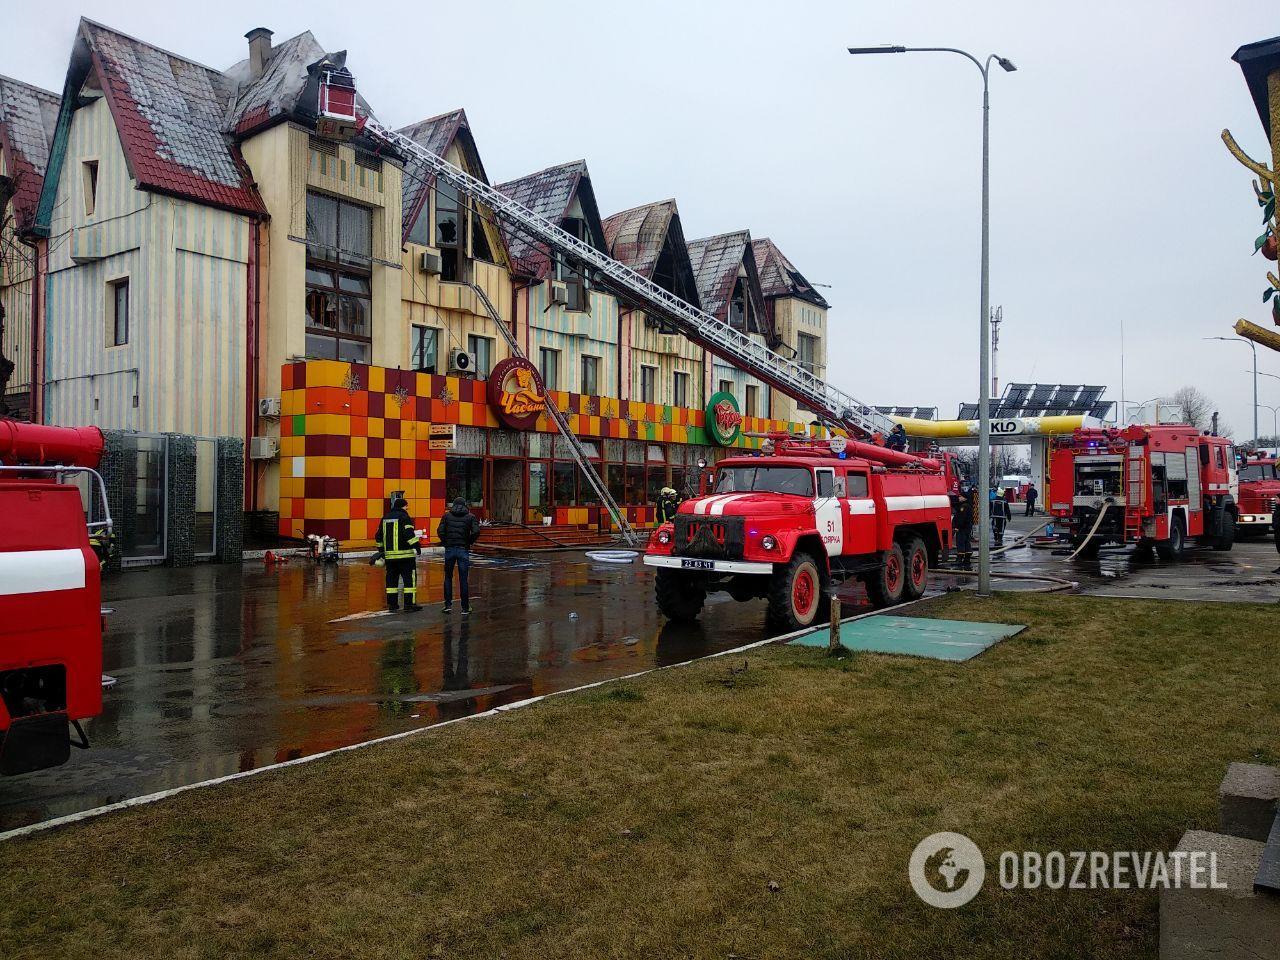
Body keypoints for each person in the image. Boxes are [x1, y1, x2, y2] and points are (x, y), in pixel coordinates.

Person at [375, 497, 422, 612]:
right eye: (406, 506)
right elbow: (409, 534)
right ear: (403, 506)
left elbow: (378, 536)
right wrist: (417, 546)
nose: (407, 508)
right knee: (409, 582)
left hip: (390, 558)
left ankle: (392, 605)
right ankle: (409, 605)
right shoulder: (404, 517)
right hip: (405, 557)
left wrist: (381, 550)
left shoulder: (385, 518)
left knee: (391, 582)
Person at [437, 497, 481, 614]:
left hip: (450, 549)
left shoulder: (446, 516)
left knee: (448, 577)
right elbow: (476, 531)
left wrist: (445, 542)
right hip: (463, 549)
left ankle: (447, 605)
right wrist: (469, 541)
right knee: (463, 579)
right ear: (465, 504)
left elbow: (440, 531)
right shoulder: (470, 516)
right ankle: (465, 608)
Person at [951, 484, 974, 568]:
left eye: (960, 496)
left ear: (964, 498)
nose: (959, 498)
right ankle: (967, 558)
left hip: (962, 528)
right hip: (967, 528)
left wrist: (957, 527)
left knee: (960, 542)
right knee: (966, 542)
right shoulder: (967, 506)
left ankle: (959, 559)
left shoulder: (963, 507)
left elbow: (961, 518)